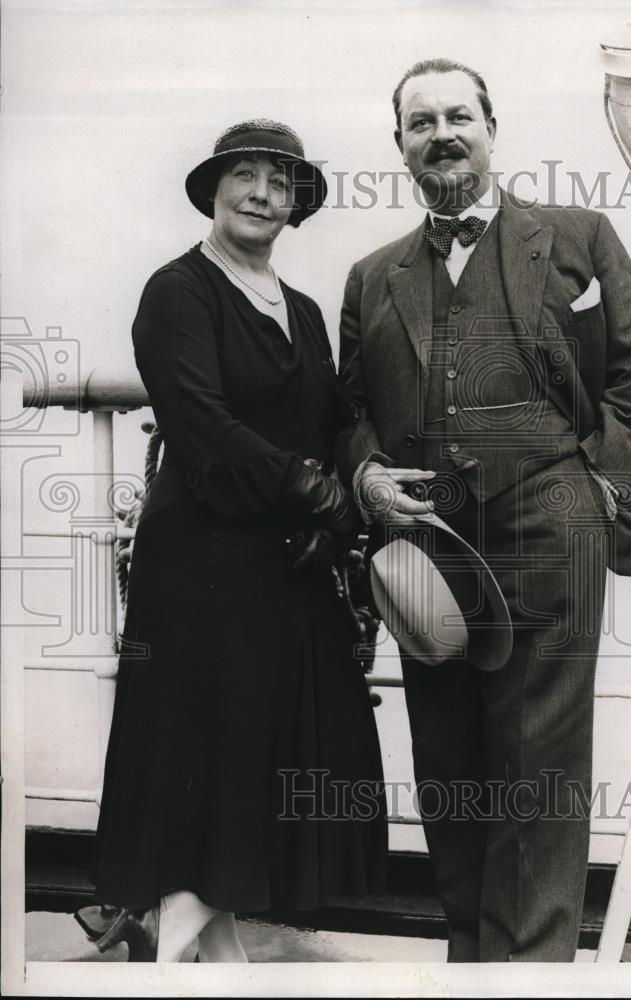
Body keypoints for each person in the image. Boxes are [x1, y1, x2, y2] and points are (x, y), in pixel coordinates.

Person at [337, 59, 631, 962]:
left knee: (538, 763)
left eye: (459, 115)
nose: (441, 132)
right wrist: (368, 475)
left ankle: (530, 973)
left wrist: (598, 488)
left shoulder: (575, 236)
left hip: (549, 528)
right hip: (426, 544)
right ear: (400, 145)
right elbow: (349, 412)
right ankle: (469, 959)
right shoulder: (371, 278)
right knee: (448, 760)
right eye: (421, 121)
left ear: (492, 129)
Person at [85, 119, 387, 962]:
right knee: (209, 760)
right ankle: (184, 949)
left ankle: (206, 956)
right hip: (202, 568)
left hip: (288, 566)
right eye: (245, 176)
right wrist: (310, 492)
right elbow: (201, 424)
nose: (261, 193)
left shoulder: (301, 310)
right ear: (214, 190)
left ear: (295, 206)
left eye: (280, 182)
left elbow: (330, 422)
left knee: (263, 761)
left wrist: (345, 501)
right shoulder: (177, 290)